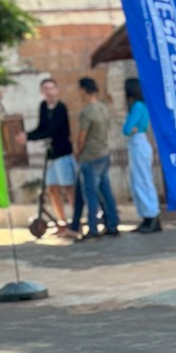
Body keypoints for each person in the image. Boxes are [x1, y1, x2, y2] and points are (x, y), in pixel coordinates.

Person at [16, 77, 77, 236]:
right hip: (50, 155)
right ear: (42, 91)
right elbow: (41, 128)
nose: (49, 92)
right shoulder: (43, 107)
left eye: (52, 88)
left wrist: (29, 137)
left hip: (62, 153)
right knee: (52, 189)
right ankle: (61, 222)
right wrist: (27, 135)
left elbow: (53, 131)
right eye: (46, 89)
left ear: (56, 90)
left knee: (68, 188)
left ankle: (76, 222)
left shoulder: (61, 108)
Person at [73, 76, 119, 240]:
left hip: (91, 156)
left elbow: (81, 138)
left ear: (84, 90)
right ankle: (112, 224)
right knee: (106, 192)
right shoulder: (103, 108)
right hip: (104, 153)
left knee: (91, 195)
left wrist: (78, 153)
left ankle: (93, 228)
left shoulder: (87, 111)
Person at [122, 77, 162, 232]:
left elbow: (126, 129)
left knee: (142, 180)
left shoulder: (137, 106)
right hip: (139, 142)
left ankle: (151, 215)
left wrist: (133, 129)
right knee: (140, 180)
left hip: (138, 143)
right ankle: (148, 216)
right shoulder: (143, 105)